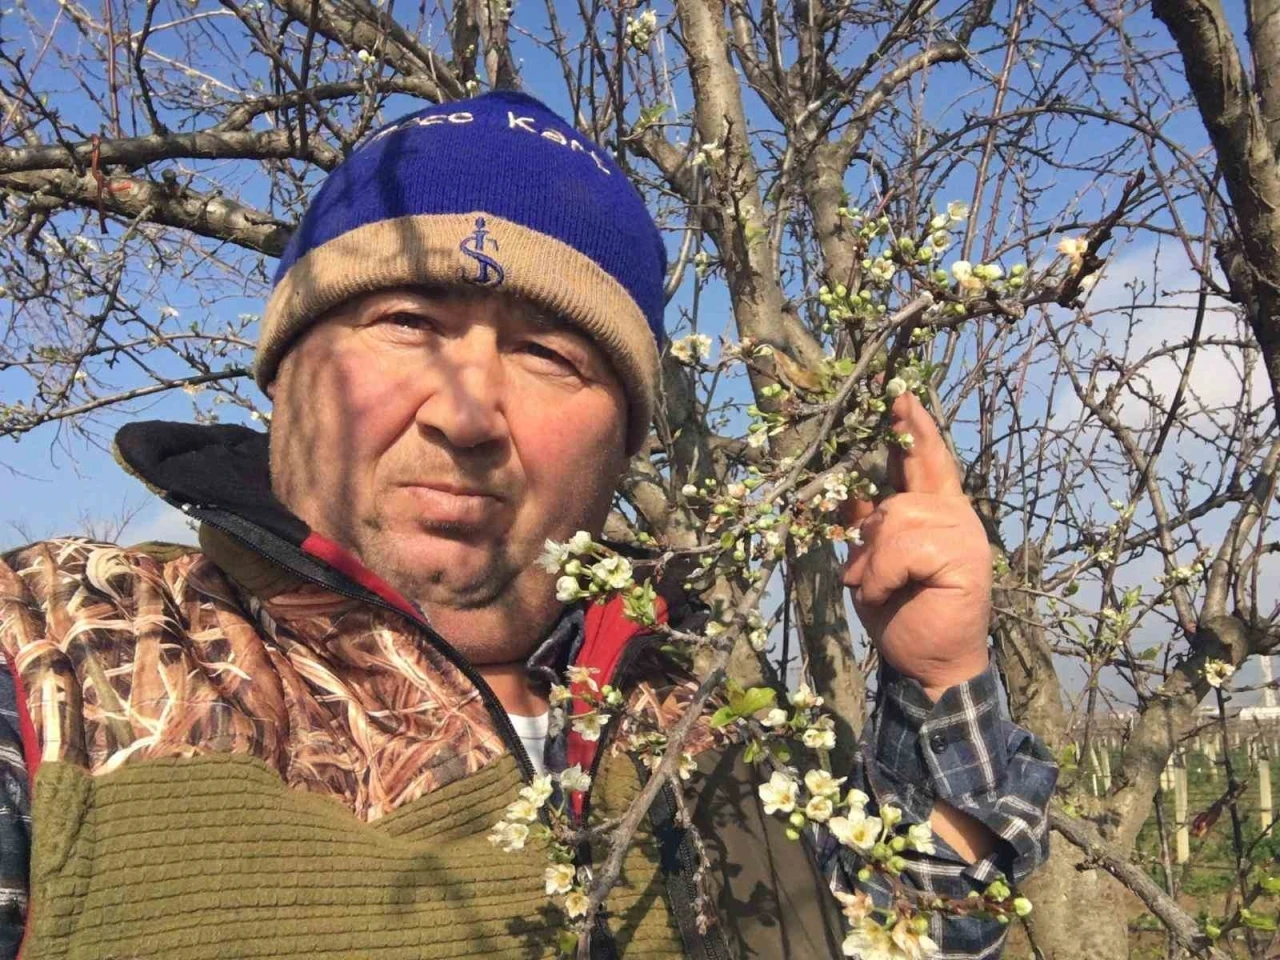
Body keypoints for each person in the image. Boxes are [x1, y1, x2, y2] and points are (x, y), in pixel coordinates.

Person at [0, 91, 1056, 960]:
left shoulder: (711, 727)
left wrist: (937, 679)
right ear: (285, 370)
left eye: (549, 354)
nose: (466, 414)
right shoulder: (60, 659)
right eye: (406, 321)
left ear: (622, 441)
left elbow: (903, 937)